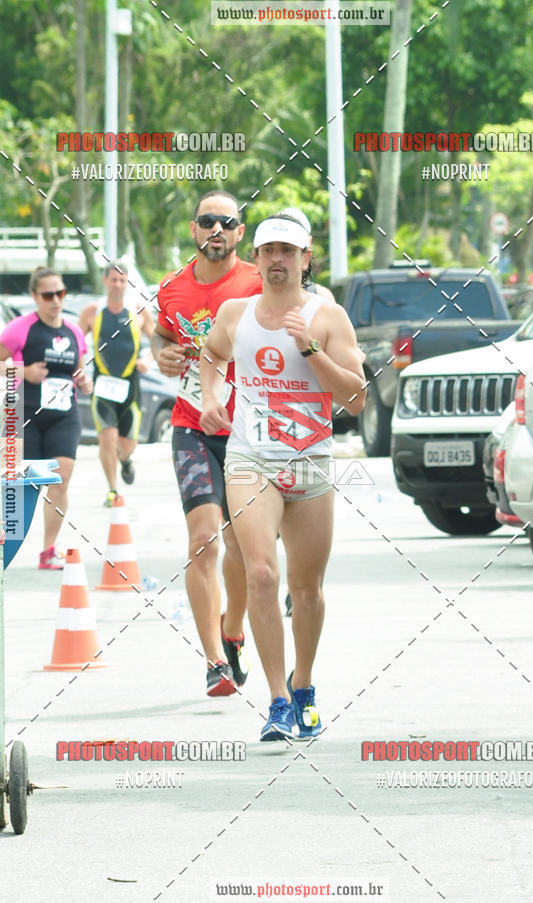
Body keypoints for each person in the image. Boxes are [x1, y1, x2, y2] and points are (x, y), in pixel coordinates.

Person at [199, 214, 365, 740]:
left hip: (310, 461)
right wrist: (210, 396)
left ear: (305, 259)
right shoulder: (234, 313)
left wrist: (310, 349)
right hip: (251, 461)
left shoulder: (328, 316)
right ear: (257, 258)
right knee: (262, 574)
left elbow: (356, 399)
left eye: (287, 251)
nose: (277, 259)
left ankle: (304, 685)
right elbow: (212, 352)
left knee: (306, 589)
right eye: (269, 250)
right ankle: (277, 701)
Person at [152, 189, 263, 696]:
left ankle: (233, 628)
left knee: (242, 546)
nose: (217, 229)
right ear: (194, 229)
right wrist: (162, 353)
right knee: (203, 541)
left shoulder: (257, 283)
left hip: (247, 431)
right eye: (207, 221)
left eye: (228, 222)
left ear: (240, 232)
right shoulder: (171, 287)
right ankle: (215, 661)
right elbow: (162, 335)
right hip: (191, 426)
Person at [0, 267, 92, 568]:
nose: (56, 300)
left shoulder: (74, 332)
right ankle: (6, 548)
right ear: (35, 296)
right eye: (48, 295)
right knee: (17, 485)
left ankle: (48, 550)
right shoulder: (20, 328)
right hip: (23, 412)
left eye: (60, 293)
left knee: (61, 479)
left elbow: (79, 370)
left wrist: (85, 381)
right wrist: (24, 371)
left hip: (64, 414)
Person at [78, 261, 155, 507]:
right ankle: (113, 490)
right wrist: (80, 372)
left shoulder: (138, 311)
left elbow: (158, 341)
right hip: (103, 384)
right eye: (113, 279)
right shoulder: (92, 311)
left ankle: (125, 459)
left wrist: (148, 360)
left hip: (130, 386)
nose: (118, 284)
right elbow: (77, 343)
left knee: (127, 444)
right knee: (107, 436)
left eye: (122, 280)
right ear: (105, 281)